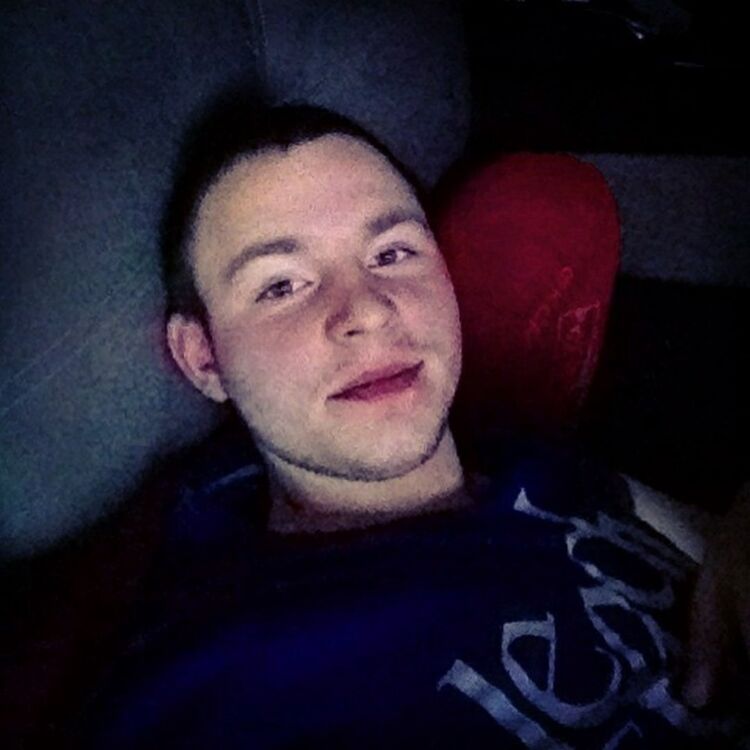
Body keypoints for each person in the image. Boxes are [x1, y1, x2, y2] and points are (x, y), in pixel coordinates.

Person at [71, 104, 749, 748]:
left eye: (392, 254)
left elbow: (713, 538)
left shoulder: (532, 461)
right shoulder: (223, 677)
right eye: (281, 286)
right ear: (203, 357)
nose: (367, 310)